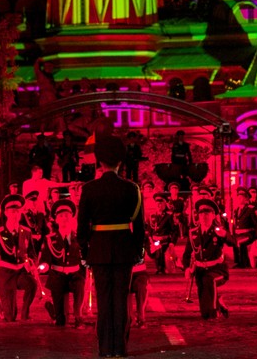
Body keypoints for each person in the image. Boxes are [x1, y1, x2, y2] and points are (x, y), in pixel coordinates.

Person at [77, 135, 145, 359]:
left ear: (100, 162)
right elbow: (139, 225)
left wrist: (85, 251)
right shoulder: (132, 188)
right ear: (120, 163)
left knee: (104, 302)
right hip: (124, 249)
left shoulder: (89, 189)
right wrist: (138, 251)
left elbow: (82, 225)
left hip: (99, 249)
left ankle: (105, 348)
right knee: (121, 300)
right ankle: (120, 348)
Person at [0, 194, 37, 321]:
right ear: (6, 213)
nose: (15, 214)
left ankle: (25, 314)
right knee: (9, 317)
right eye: (12, 211)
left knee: (32, 284)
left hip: (21, 272)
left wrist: (31, 262)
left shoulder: (26, 232)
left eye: (18, 211)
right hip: (5, 275)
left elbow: (32, 253)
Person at [40, 199, 85, 326]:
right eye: (61, 216)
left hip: (75, 274)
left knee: (80, 286)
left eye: (67, 215)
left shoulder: (78, 237)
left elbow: (84, 256)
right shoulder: (50, 239)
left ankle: (78, 316)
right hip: (57, 276)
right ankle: (57, 314)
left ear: (72, 218)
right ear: (56, 219)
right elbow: (45, 257)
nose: (64, 218)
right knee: (61, 321)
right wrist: (44, 265)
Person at [185, 198, 231, 320]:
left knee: (209, 280)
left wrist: (225, 235)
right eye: (201, 213)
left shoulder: (218, 231)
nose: (204, 216)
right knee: (203, 302)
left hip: (218, 269)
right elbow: (187, 253)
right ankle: (217, 306)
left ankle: (215, 311)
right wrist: (186, 269)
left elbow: (234, 242)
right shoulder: (193, 233)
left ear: (213, 216)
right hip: (200, 269)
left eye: (207, 213)